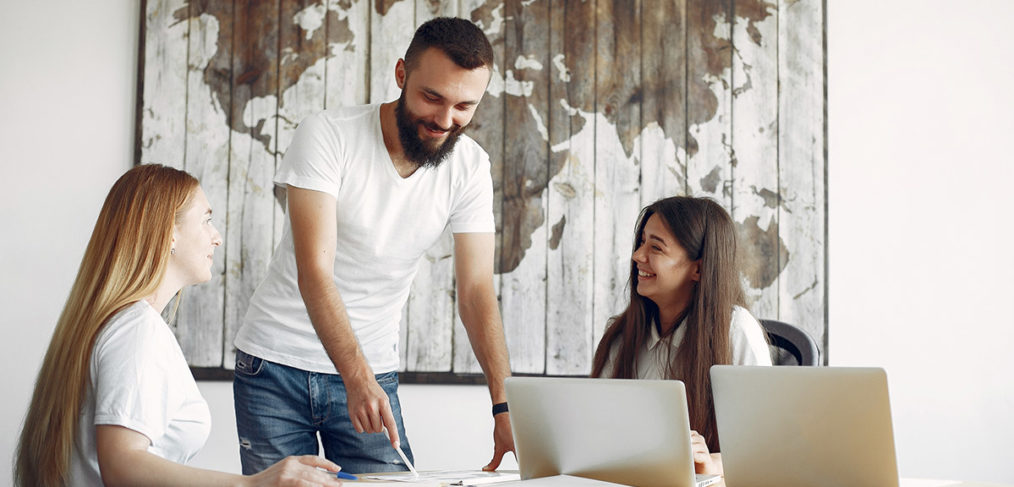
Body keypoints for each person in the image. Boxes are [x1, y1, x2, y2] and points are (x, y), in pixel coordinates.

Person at [232, 17, 514, 474]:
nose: (446, 120)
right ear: (402, 75)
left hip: (373, 369)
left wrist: (504, 406)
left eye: (465, 106)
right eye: (432, 97)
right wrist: (355, 377)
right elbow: (315, 272)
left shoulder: (470, 168)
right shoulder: (327, 134)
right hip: (274, 366)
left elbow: (478, 290)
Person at [14, 164, 343, 487]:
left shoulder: (114, 324)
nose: (217, 237)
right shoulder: (136, 331)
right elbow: (121, 465)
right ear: (168, 233)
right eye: (206, 220)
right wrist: (252, 484)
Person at [590, 196, 772, 476]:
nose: (638, 256)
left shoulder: (736, 330)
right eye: (641, 243)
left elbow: (766, 452)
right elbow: (596, 432)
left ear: (698, 268)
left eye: (656, 248)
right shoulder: (621, 336)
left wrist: (712, 464)